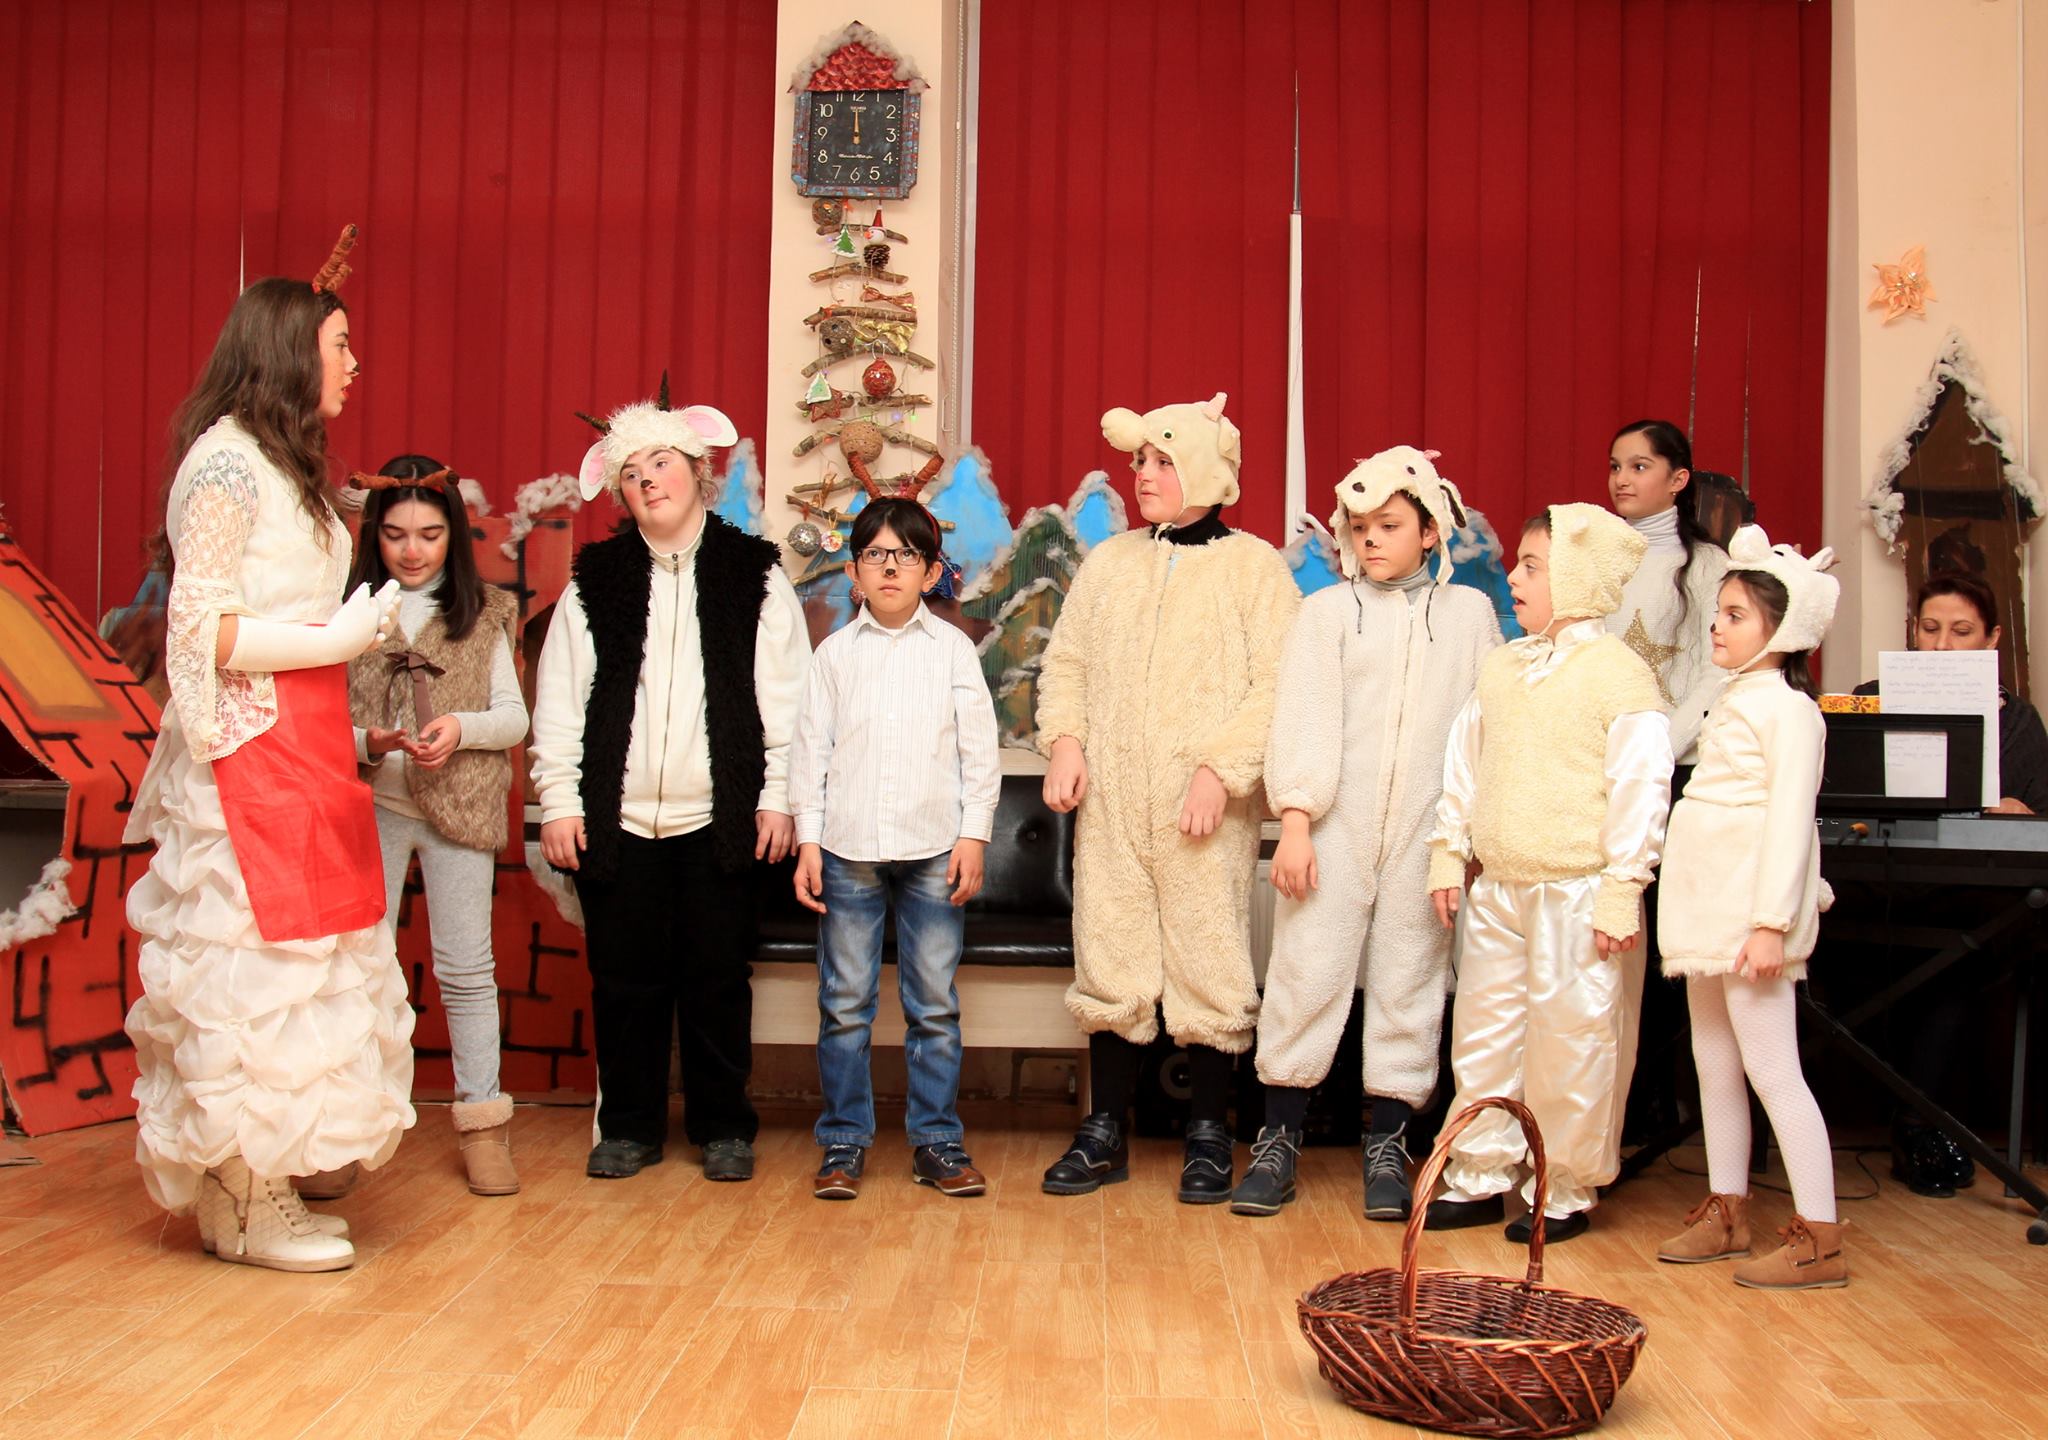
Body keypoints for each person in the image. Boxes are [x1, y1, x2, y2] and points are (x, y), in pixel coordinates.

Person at [123, 227, 416, 1272]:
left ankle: (274, 1173)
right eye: (340, 345)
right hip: (248, 753)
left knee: (310, 962)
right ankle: (243, 1199)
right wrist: (338, 637)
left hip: (307, 745)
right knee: (250, 977)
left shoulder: (280, 465)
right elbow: (201, 629)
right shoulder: (223, 468)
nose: (353, 363)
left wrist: (354, 633)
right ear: (291, 350)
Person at [530, 388, 809, 1182]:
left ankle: (724, 1127)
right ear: (618, 492)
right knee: (625, 983)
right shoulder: (596, 581)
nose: (647, 480)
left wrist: (776, 797)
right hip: (617, 821)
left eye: (661, 463)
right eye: (631, 473)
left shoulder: (753, 575)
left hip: (719, 818)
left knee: (717, 980)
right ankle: (628, 1127)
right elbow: (561, 701)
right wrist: (560, 802)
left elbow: (787, 701)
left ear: (696, 468)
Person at [1036, 394, 1301, 1203]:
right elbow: (1068, 662)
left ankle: (1210, 1132)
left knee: (1208, 956)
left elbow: (1277, 686)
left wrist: (1220, 769)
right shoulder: (1110, 564)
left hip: (1204, 808)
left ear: (1206, 471)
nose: (1143, 476)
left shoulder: (1254, 568)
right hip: (1114, 802)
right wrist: (1067, 741)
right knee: (1110, 954)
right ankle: (1104, 1130)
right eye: (1139, 461)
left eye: (1161, 461)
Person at [1233, 448, 1499, 1220]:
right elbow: (1304, 714)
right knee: (1305, 972)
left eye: (1389, 525)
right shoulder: (1326, 613)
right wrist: (1295, 822)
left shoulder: (1469, 617)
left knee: (1411, 980)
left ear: (1430, 530)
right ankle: (1278, 1140)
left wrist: (1464, 842)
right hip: (1333, 827)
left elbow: (1486, 731)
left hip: (1429, 833)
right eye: (1360, 527)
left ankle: (1389, 1144)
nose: (1372, 538)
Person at [1423, 503, 1670, 1244]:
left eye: (1533, 566)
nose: (1514, 577)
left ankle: (1560, 1186)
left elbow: (1641, 784)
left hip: (1579, 890)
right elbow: (1466, 764)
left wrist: (1623, 886)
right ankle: (1479, 1170)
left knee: (1574, 1041)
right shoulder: (1505, 666)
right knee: (1486, 1033)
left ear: (1580, 578)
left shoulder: (1619, 675)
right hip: (1501, 885)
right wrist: (1449, 850)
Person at [789, 499, 1001, 1201]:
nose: (889, 567)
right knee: (845, 1003)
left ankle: (937, 1141)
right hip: (847, 848)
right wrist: (809, 841)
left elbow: (979, 752)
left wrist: (974, 835)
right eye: (875, 554)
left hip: (935, 849)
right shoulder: (833, 656)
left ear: (930, 572)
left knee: (933, 1005)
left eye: (905, 555)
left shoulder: (952, 652)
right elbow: (810, 754)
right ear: (854, 571)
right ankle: (844, 1141)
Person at [1656, 527, 1847, 1289]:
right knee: (1714, 1061)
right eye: (1719, 612)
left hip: (1749, 919)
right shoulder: (1733, 697)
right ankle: (1728, 1209)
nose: (1717, 626)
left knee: (1773, 1070)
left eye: (1736, 615)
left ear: (1785, 628)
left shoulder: (1791, 711)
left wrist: (1771, 923)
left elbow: (1791, 819)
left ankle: (1821, 1237)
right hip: (1709, 913)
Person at [346, 456, 527, 1196]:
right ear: (374, 537)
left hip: (460, 809)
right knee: (359, 969)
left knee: (465, 969)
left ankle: (482, 1122)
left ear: (452, 534)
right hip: (373, 810)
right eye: (396, 535)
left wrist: (459, 727)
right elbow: (319, 723)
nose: (413, 550)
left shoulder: (483, 613)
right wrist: (369, 743)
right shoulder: (351, 614)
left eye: (429, 534)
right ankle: (345, 1129)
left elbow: (512, 718)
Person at [1852, 569, 2048, 1195]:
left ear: (1991, 639)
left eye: (1961, 631)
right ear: (1912, 631)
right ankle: (1914, 1123)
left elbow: (2037, 823)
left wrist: (2019, 813)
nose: (1941, 645)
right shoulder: (1867, 700)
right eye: (1930, 628)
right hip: (1877, 887)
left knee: (1961, 950)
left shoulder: (2019, 721)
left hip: (1968, 896)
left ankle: (1918, 1124)